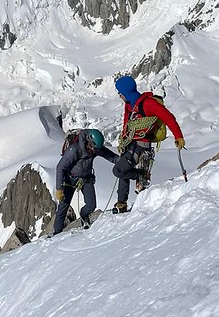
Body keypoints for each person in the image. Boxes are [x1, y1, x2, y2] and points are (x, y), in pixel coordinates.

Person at [112, 76, 185, 212]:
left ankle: (141, 176)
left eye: (120, 93)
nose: (119, 96)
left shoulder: (148, 104)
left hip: (142, 147)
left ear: (126, 92)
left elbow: (168, 118)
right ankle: (121, 203)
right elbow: (126, 123)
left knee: (119, 170)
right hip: (130, 142)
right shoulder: (129, 104)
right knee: (123, 169)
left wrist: (178, 136)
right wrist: (123, 139)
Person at [53, 129, 117, 234]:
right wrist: (59, 189)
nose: (95, 151)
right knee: (63, 207)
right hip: (70, 179)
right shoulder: (75, 149)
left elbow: (111, 157)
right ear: (88, 143)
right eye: (93, 148)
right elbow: (60, 167)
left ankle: (83, 216)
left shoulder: (95, 148)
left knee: (91, 205)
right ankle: (57, 233)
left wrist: (124, 162)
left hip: (86, 178)